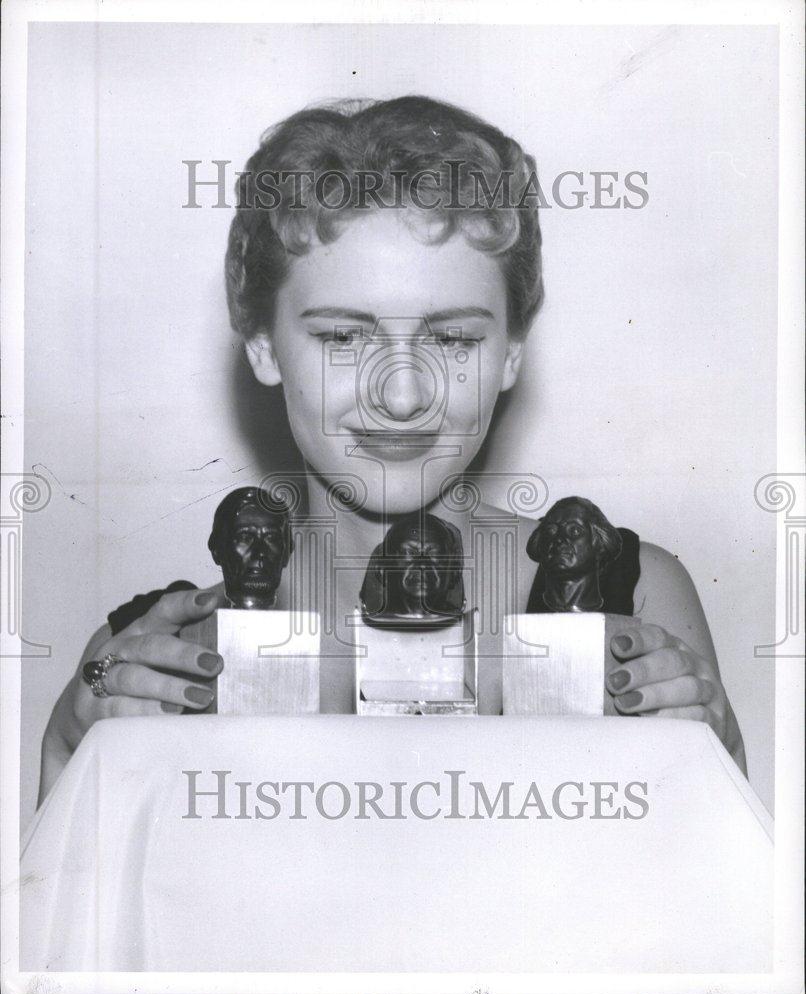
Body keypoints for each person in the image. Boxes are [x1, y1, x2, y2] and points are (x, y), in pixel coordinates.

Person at [37, 96, 746, 804]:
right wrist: (69, 745)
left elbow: (711, 901)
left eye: (454, 339)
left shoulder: (635, 596)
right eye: (343, 338)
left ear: (510, 353)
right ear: (262, 344)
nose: (402, 396)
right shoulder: (154, 655)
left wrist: (715, 756)